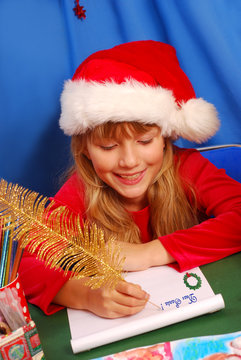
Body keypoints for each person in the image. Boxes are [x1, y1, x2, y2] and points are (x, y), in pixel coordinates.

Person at [19, 40, 241, 319]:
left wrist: (148, 253)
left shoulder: (186, 167)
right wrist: (86, 295)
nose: (129, 161)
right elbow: (28, 264)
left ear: (165, 138)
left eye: (144, 141)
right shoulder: (80, 191)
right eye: (108, 147)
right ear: (85, 150)